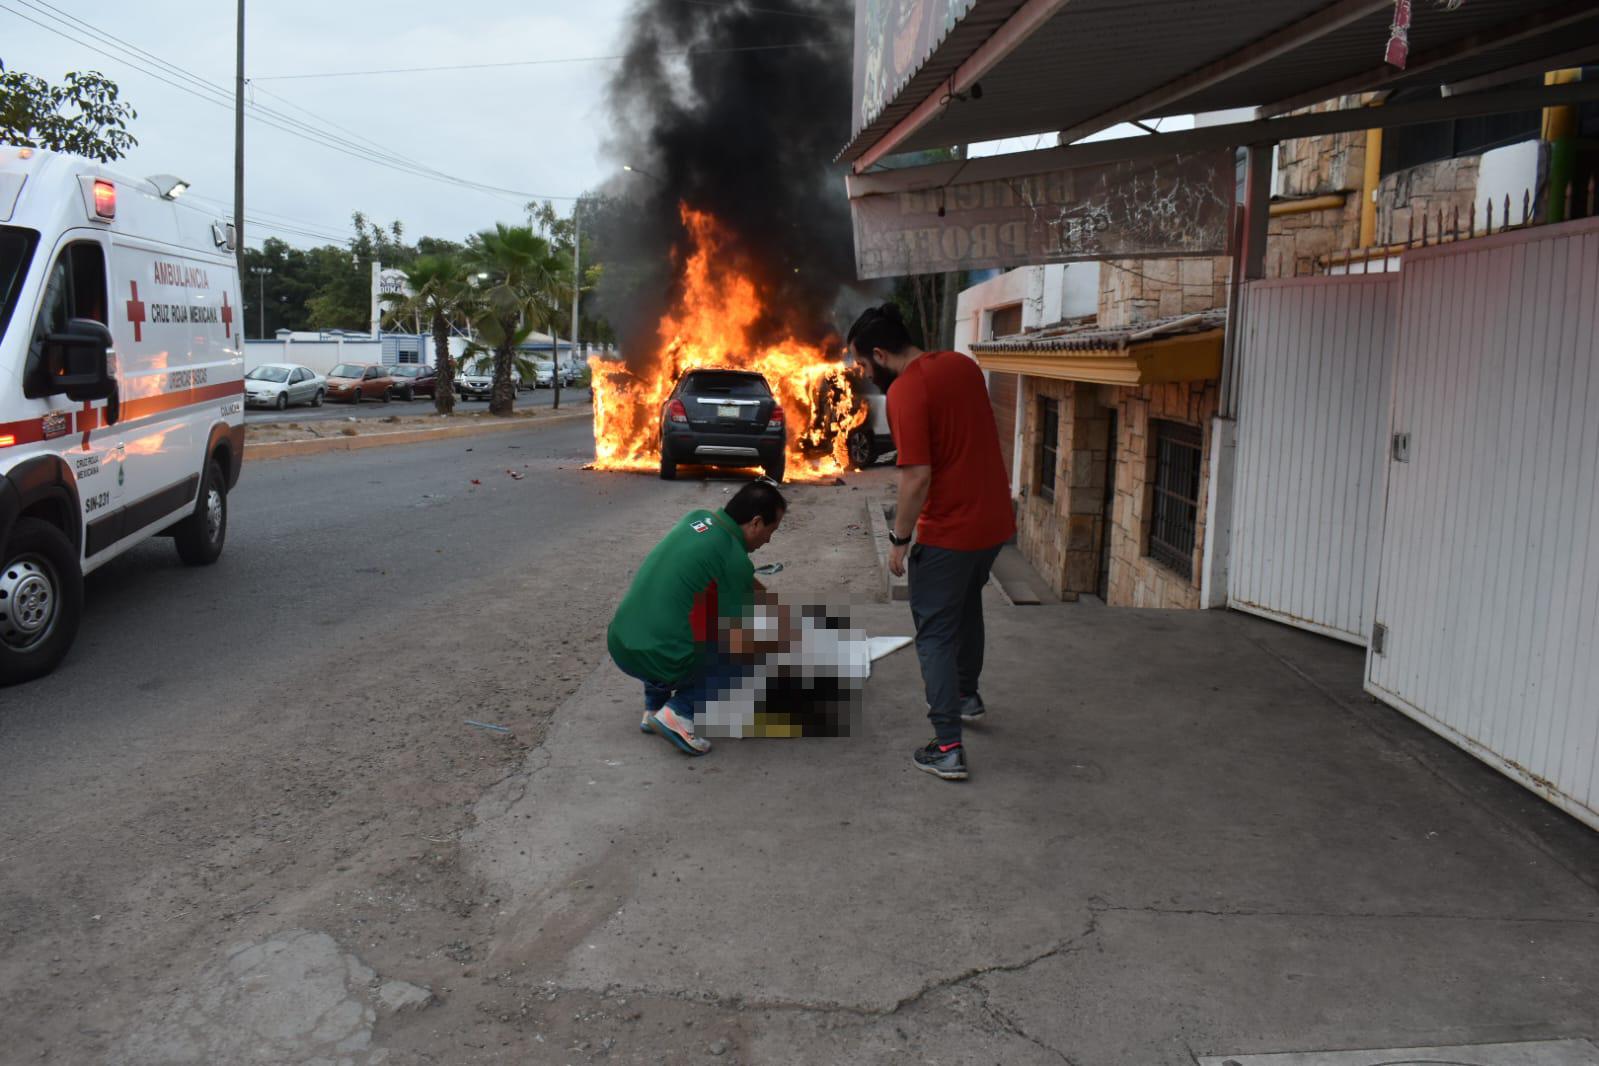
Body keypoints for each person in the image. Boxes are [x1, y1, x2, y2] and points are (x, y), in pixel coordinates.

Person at [847, 303, 1015, 782]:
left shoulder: (906, 391)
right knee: (965, 608)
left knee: (935, 631)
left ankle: (946, 746)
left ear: (880, 354)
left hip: (952, 532)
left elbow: (916, 477)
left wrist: (899, 540)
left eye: (862, 364)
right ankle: (966, 696)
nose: (864, 374)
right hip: (993, 526)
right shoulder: (962, 365)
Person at [607, 478, 791, 756]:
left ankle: (653, 707)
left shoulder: (698, 519)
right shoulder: (734, 560)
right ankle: (679, 712)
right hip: (661, 656)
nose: (768, 540)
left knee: (675, 612)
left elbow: (739, 577)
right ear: (755, 523)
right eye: (771, 530)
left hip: (622, 643)